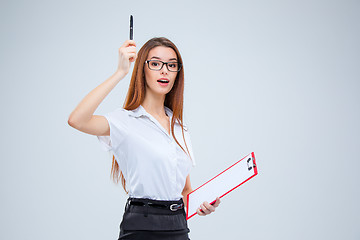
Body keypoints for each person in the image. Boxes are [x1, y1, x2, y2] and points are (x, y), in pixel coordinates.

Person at [68, 37, 221, 240]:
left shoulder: (180, 127)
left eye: (171, 65)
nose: (164, 70)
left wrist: (201, 205)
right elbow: (77, 120)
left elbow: (184, 190)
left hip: (178, 226)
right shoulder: (125, 120)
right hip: (142, 225)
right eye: (156, 64)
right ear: (142, 69)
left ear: (177, 73)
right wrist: (120, 72)